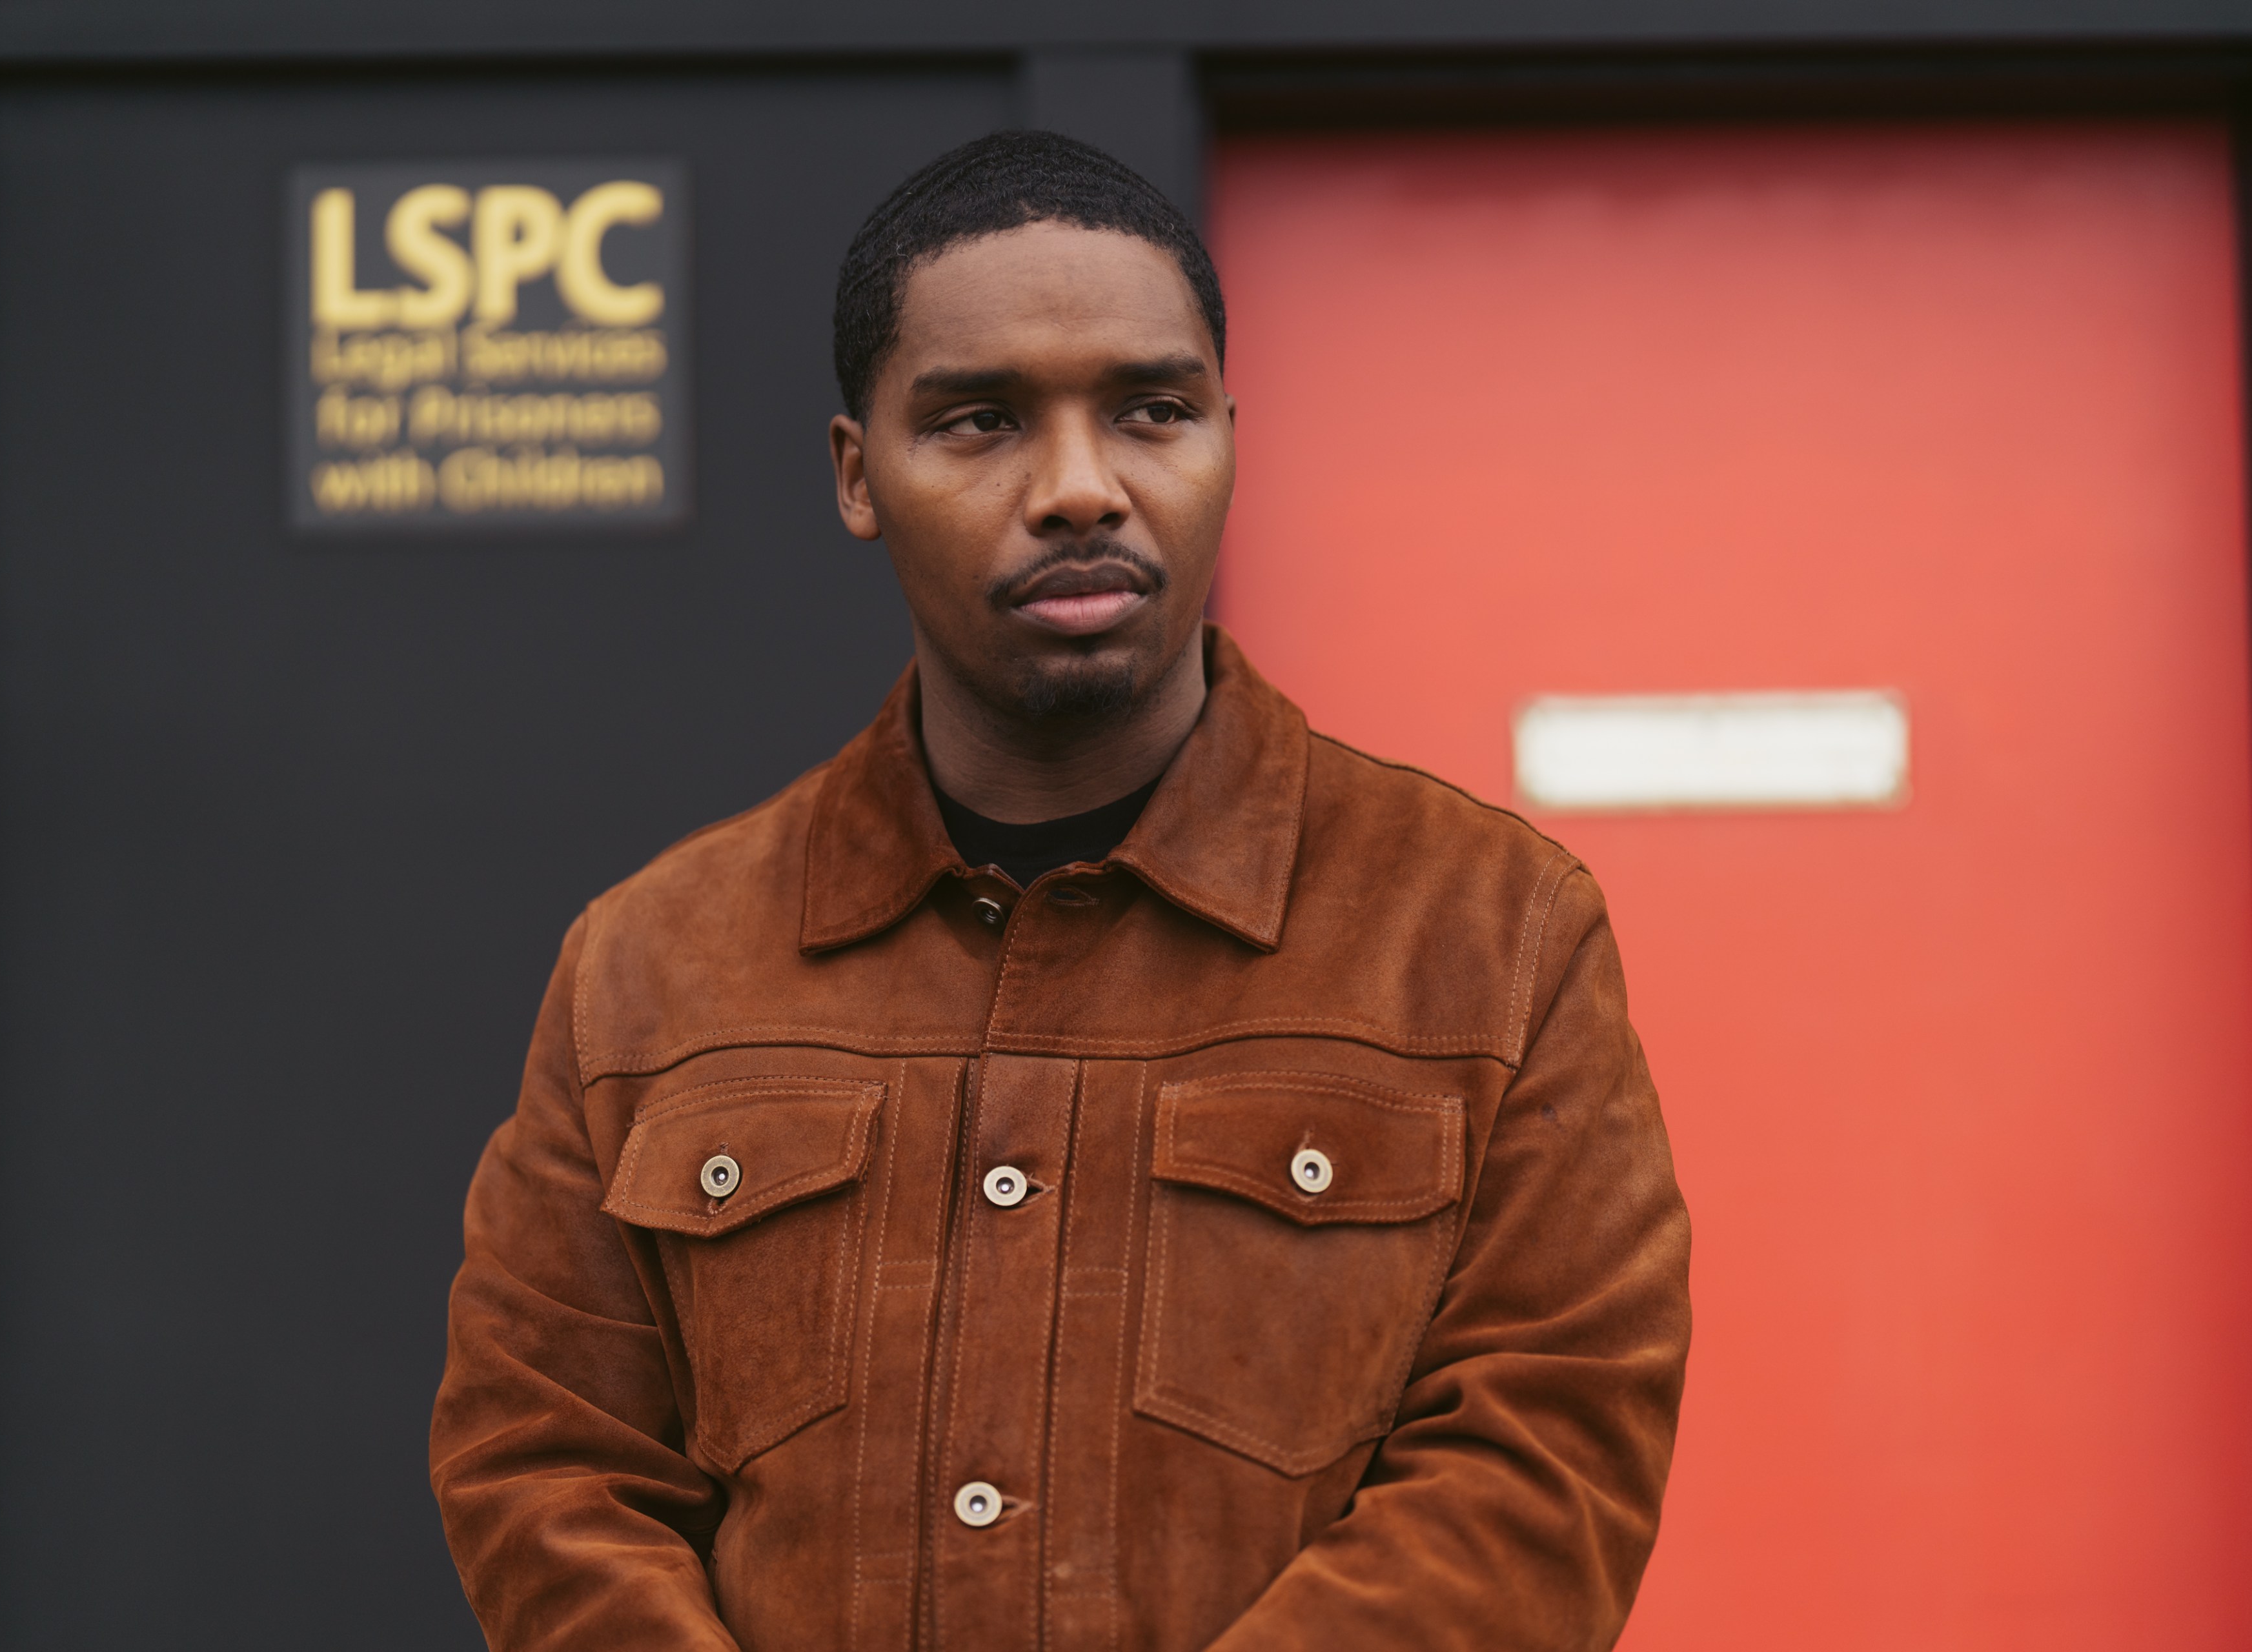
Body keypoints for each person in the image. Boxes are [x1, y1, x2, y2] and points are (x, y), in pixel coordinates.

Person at [430, 130, 1690, 1652]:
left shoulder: (1491, 931)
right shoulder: (652, 965)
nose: (1081, 487)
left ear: (1230, 438)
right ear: (857, 476)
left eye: (1152, 411)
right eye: (981, 421)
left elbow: (1540, 1465)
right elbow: (549, 1466)